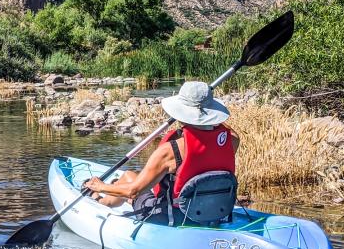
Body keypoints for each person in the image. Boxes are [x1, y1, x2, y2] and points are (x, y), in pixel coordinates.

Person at [83, 81, 239, 221]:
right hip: (214, 211)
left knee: (129, 177)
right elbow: (219, 131)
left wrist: (100, 186)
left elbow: (133, 191)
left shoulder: (170, 151)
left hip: (172, 216)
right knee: (134, 183)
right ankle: (106, 201)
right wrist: (206, 115)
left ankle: (101, 199)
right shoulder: (232, 140)